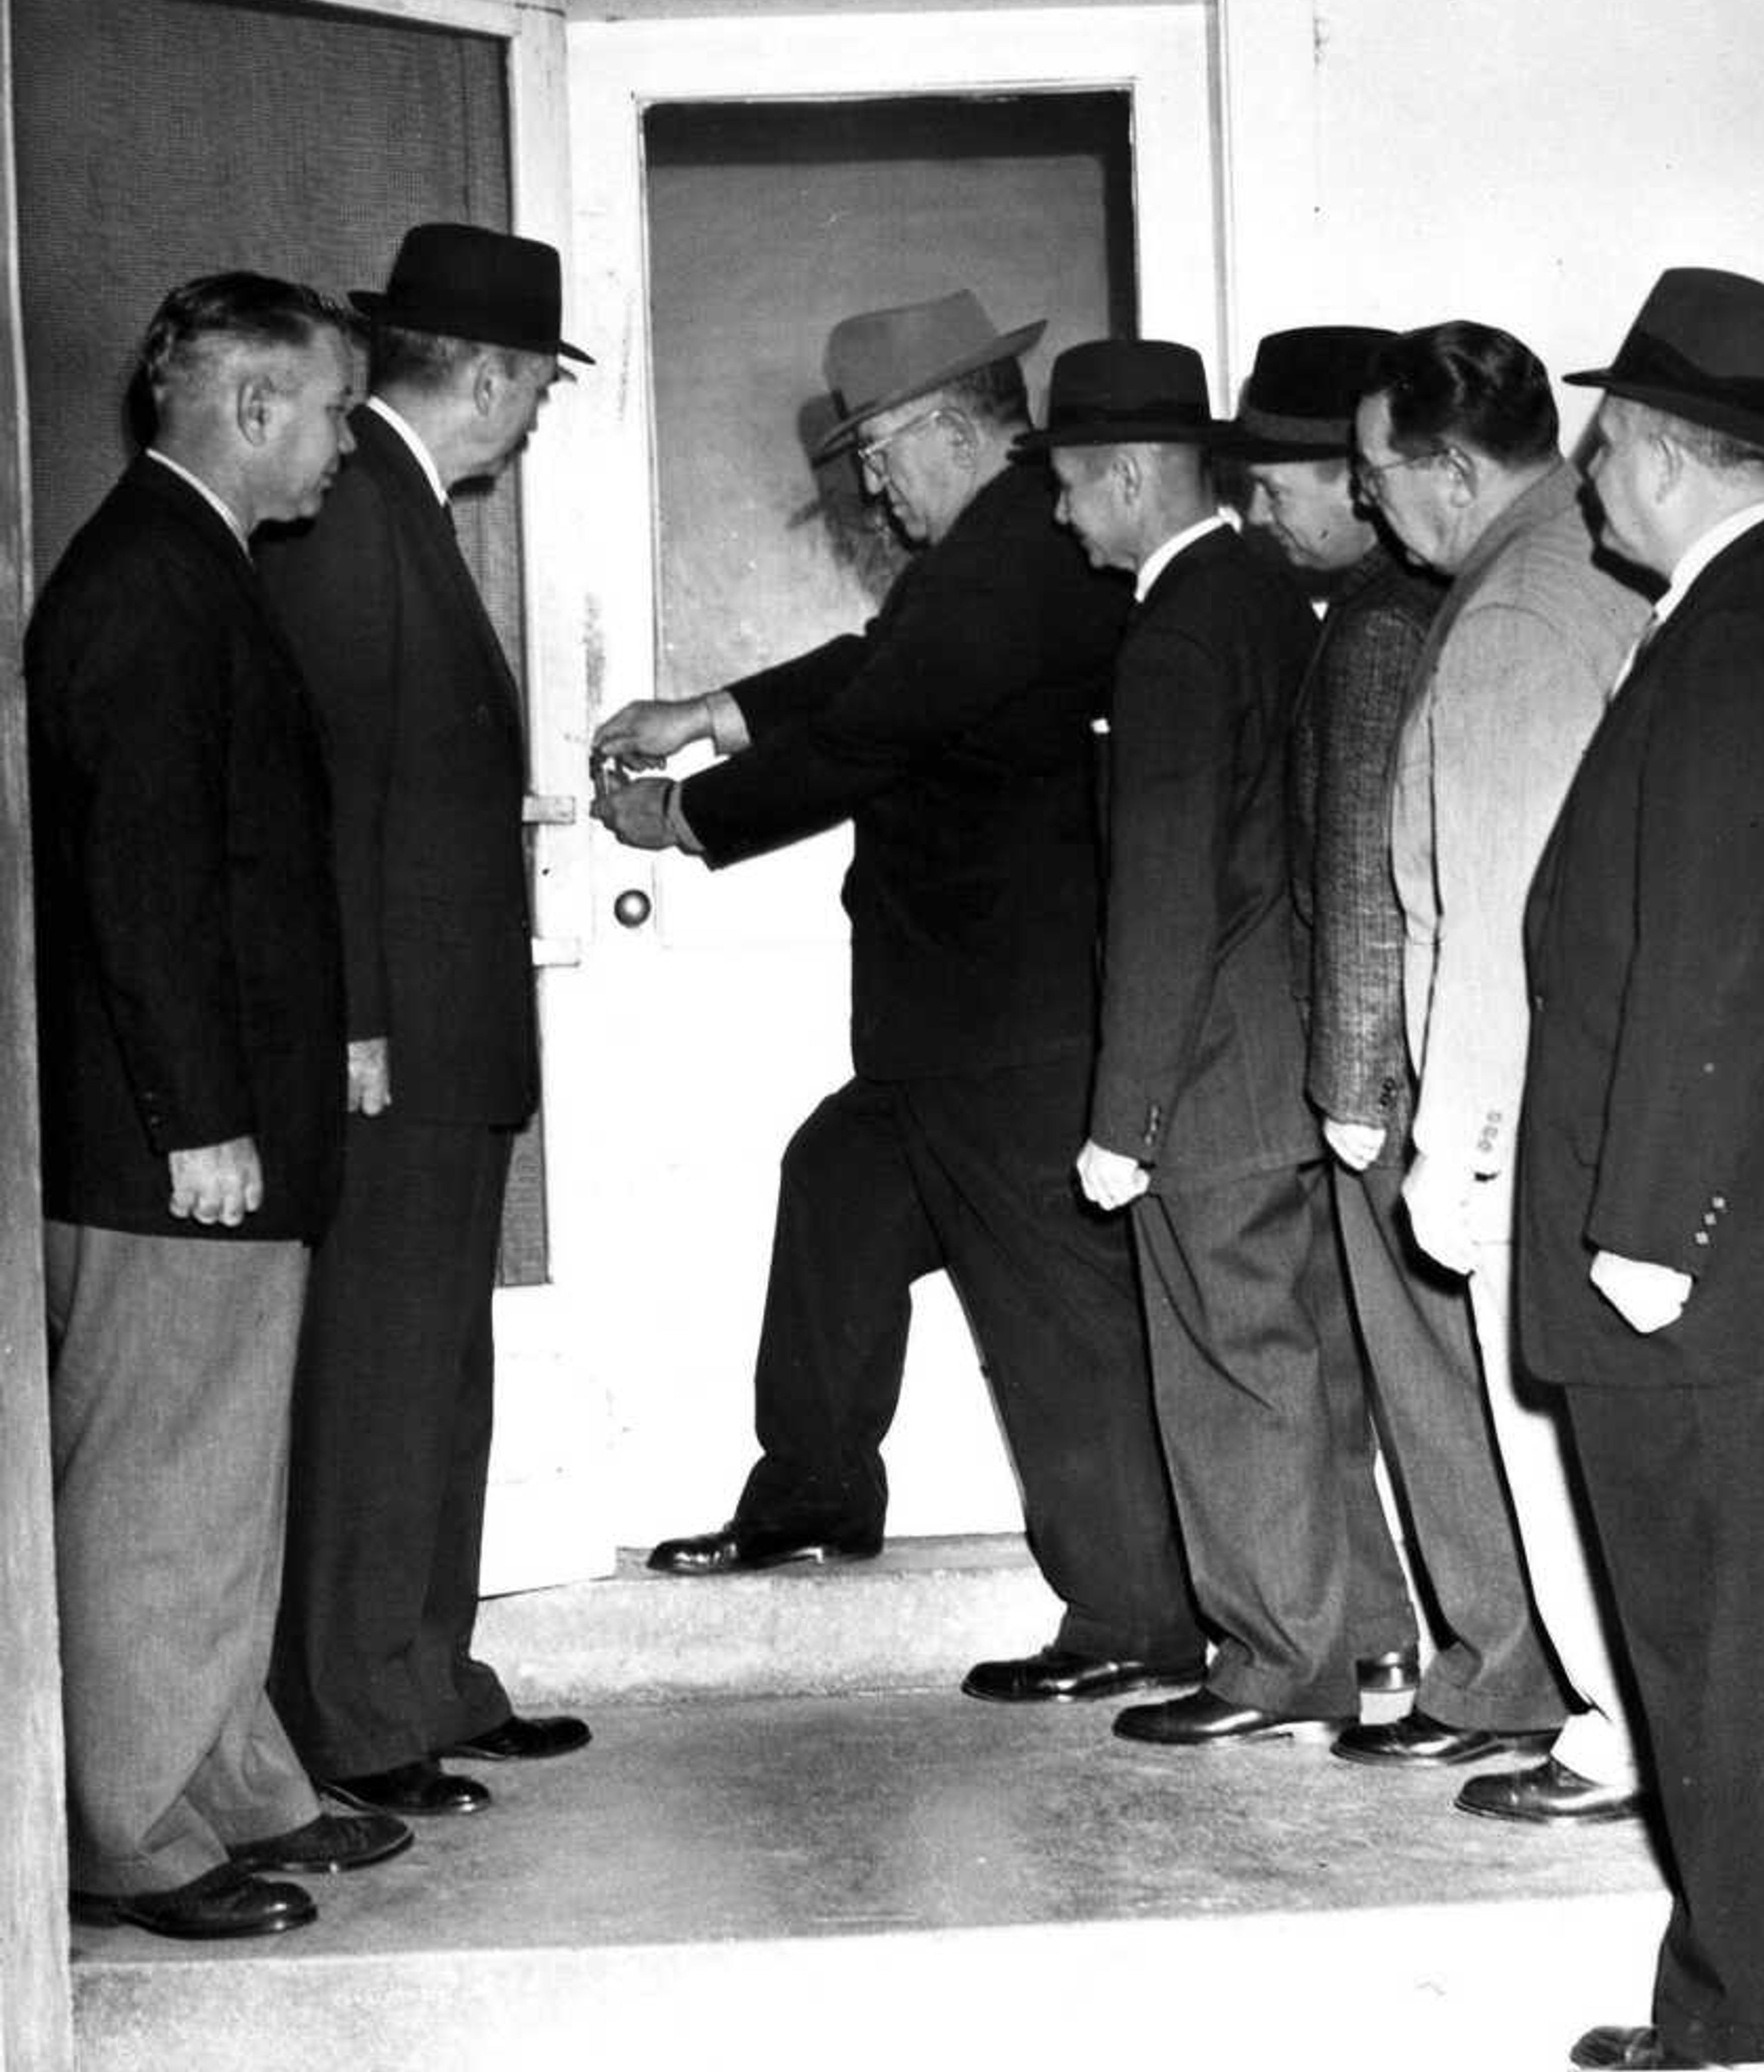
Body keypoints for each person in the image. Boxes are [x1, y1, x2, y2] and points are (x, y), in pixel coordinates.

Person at [592, 290, 1204, 1704]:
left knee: (1049, 1317)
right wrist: (713, 712)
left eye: (877, 450)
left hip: (1010, 1029)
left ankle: (1135, 1618)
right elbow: (878, 667)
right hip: (957, 1026)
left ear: (945, 428)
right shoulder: (997, 549)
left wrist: (686, 816)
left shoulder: (1009, 559)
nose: (869, 481)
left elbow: (878, 724)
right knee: (841, 1190)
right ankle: (812, 1494)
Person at [1522, 270, 1764, 2072]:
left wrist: (1652, 1226)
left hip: (1725, 1246)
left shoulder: (1747, 637)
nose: (1590, 478)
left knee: (1741, 1656)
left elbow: (1724, 950)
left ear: (1665, 455)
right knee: (1746, 1653)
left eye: (1606, 447)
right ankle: (1760, 2006)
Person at [29, 272, 409, 1939]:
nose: (341, 443)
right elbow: (140, 882)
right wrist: (197, 1111)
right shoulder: (147, 584)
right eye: (330, 410)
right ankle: (128, 1829)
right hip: (165, 1146)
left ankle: (228, 1783)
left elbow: (237, 870)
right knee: (155, 1491)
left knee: (214, 1482)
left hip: (215, 1126)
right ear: (251, 407)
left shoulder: (194, 568)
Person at [1029, 337, 1404, 1747]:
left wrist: (1125, 1120)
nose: (1065, 518)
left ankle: (1269, 1664)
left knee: (1232, 1366)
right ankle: (1363, 1638)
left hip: (1212, 1075)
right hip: (1290, 1060)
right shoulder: (1269, 592)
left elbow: (1169, 892)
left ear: (1130, 477)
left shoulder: (1178, 627)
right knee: (1311, 1362)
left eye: (1073, 488)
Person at [262, 224, 591, 1819]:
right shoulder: (351, 517)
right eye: (532, 392)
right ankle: (353, 1713)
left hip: (449, 1046)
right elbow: (325, 798)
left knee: (437, 1370)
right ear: (490, 376)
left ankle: (428, 1677)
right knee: (378, 1377)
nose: (530, 423)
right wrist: (361, 1022)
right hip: (390, 1048)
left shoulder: (402, 509)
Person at [1230, 325, 1570, 1761]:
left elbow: (1382, 875)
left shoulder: (1384, 626)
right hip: (1445, 1061)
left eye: (1350, 479)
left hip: (1407, 1070)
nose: (1343, 508)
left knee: (1437, 1389)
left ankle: (1495, 1671)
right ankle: (1491, 1660)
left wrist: (1355, 1082)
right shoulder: (1436, 592)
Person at [1336, 321, 1651, 1822]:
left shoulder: (1516, 616)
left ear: (1452, 470)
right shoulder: (1587, 568)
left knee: (1548, 1436)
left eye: (1377, 470)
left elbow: (1497, 913)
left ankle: (1615, 1729)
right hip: (1608, 1089)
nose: (1365, 498)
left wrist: (1454, 1146)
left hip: (1528, 1106)